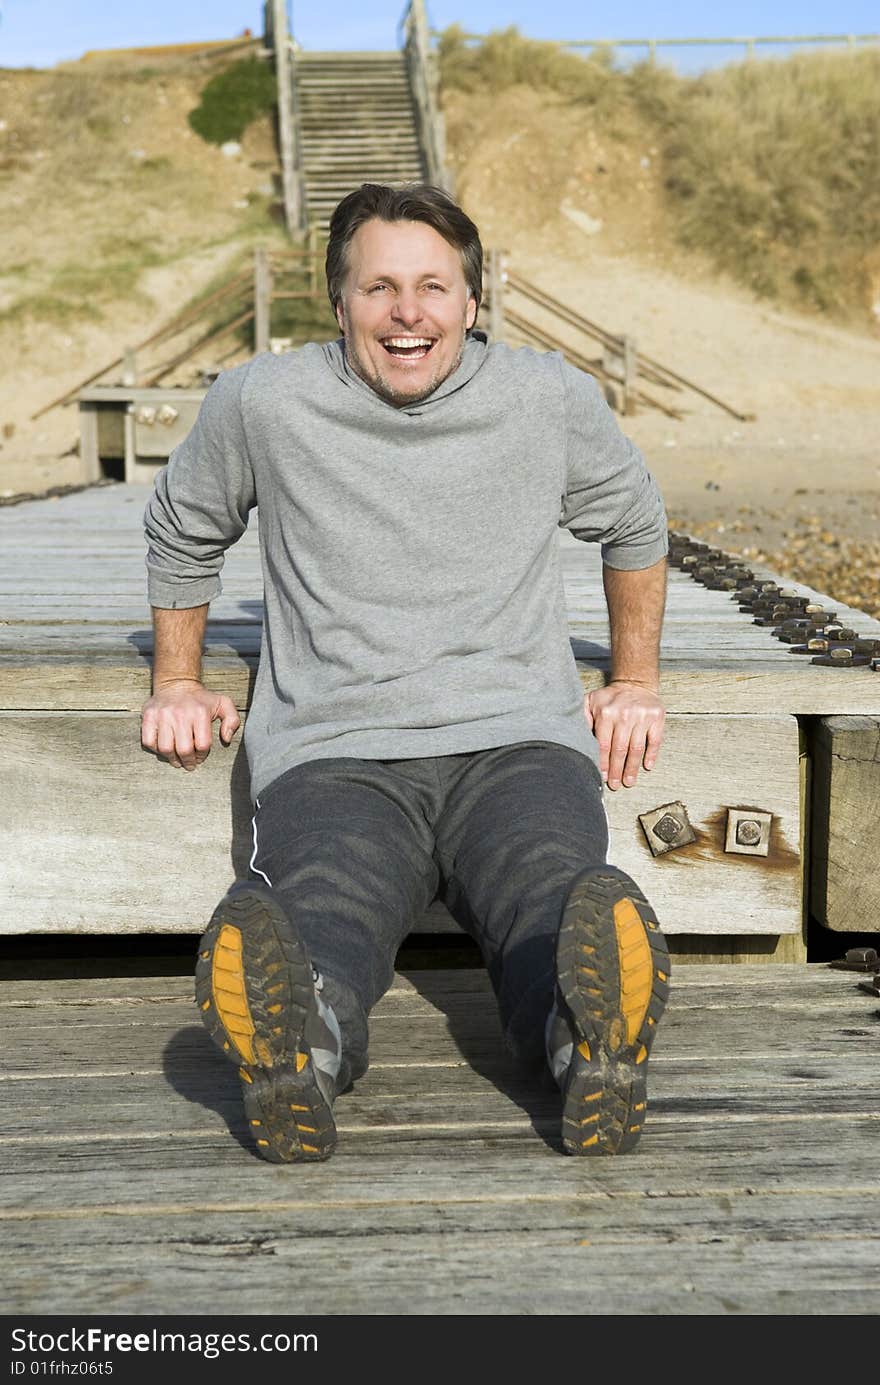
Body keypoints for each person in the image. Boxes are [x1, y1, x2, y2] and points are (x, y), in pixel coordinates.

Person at [141, 182, 670, 1165]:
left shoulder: (544, 397)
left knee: (551, 901)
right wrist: (178, 677)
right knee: (322, 914)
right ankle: (296, 1053)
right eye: (378, 287)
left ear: (473, 301)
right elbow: (183, 525)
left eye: (433, 286)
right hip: (336, 750)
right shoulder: (262, 402)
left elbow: (635, 524)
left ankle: (591, 1044)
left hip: (515, 740)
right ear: (337, 302)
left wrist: (633, 676)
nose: (407, 313)